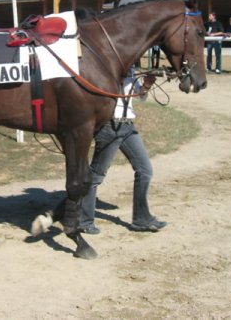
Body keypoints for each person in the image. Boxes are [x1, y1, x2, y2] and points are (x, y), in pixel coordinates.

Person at [32, 67, 166, 235]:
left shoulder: (130, 68)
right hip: (110, 126)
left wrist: (145, 85)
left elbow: (140, 96)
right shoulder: (107, 68)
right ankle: (83, 220)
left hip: (128, 126)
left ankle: (141, 218)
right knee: (95, 176)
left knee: (145, 170)